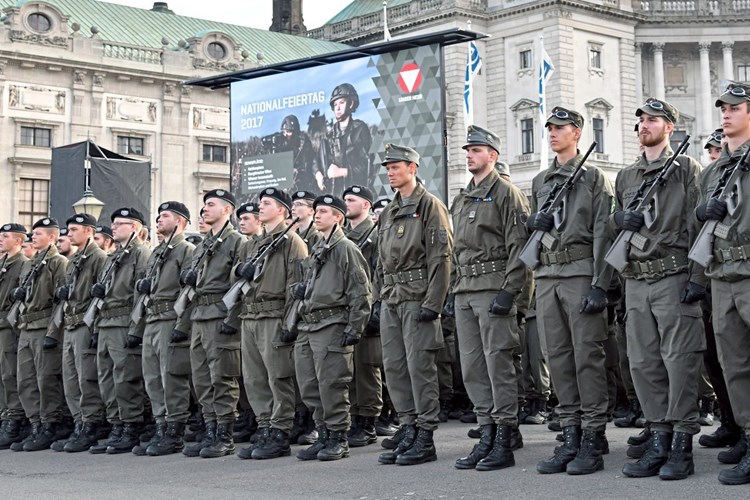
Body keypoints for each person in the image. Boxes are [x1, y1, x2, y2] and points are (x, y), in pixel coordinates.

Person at [613, 97, 706, 480]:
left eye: (652, 120)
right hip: (636, 280)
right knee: (643, 362)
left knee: (679, 360)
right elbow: (615, 233)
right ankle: (659, 437)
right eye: (640, 122)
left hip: (672, 275)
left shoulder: (686, 169)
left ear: (669, 126)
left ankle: (682, 442)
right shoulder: (626, 176)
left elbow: (697, 226)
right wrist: (620, 218)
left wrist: (697, 279)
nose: (644, 127)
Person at [526, 107, 614, 476]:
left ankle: (593, 435)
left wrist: (600, 284)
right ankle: (570, 431)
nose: (552, 133)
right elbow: (532, 236)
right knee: (558, 358)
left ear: (577, 133)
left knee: (586, 357)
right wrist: (535, 223)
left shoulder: (593, 178)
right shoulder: (540, 180)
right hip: (547, 276)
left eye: (560, 128)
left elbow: (604, 232)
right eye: (549, 128)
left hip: (580, 272)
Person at [448, 125, 530, 472]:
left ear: (492, 156)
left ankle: (504, 437)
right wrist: (454, 286)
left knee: (499, 365)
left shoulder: (507, 193)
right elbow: (455, 251)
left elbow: (521, 248)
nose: (470, 155)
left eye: (477, 150)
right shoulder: (462, 197)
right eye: (468, 150)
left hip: (493, 289)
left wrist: (511, 292)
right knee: (473, 368)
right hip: (466, 291)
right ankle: (486, 432)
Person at [375, 143, 453, 466]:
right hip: (393, 299)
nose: (391, 172)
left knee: (420, 367)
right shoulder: (390, 210)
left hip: (417, 298)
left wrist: (433, 303)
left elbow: (442, 258)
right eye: (388, 168)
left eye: (396, 166)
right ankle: (407, 425)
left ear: (413, 168)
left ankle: (425, 433)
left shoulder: (430, 206)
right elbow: (379, 260)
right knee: (394, 367)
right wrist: (381, 296)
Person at [695, 82, 750, 485]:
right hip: (722, 277)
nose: (726, 113)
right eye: (723, 108)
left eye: (734, 107)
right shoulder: (714, 170)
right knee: (734, 366)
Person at [291, 194, 372, 461]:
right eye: (316, 210)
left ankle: (338, 437)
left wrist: (355, 327)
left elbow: (361, 291)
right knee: (309, 385)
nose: (317, 214)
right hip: (310, 324)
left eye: (324, 211)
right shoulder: (319, 248)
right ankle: (323, 433)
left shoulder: (345, 248)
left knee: (332, 384)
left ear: (338, 217)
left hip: (332, 323)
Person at [230, 188, 306, 460]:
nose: (259, 207)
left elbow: (295, 286)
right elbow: (235, 272)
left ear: (282, 211)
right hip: (250, 316)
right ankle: (264, 427)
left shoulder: (292, 242)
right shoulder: (251, 243)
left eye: (266, 203)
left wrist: (289, 324)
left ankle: (280, 431)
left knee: (278, 378)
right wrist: (240, 270)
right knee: (254, 379)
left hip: (274, 316)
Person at [180, 189, 244, 459]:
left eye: (211, 204)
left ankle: (224, 434)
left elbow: (241, 286)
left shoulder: (236, 241)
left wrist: (231, 319)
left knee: (222, 377)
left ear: (227, 210)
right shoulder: (204, 244)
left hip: (219, 314)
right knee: (202, 378)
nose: (205, 209)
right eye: (204, 205)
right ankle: (210, 428)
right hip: (199, 315)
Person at [132, 202, 196, 456]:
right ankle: (161, 425)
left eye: (165, 216)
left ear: (179, 221)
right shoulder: (158, 251)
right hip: (152, 318)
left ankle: (174, 431)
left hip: (171, 317)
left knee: (171, 377)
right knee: (153, 378)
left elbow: (189, 292)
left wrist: (182, 325)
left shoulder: (186, 250)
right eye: (158, 216)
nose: (159, 219)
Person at [88, 208, 152, 455]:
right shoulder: (113, 256)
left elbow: (140, 295)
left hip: (124, 322)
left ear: (134, 227)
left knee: (125, 379)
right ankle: (116, 424)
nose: (113, 227)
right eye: (113, 223)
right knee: (106, 379)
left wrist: (136, 329)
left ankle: (131, 425)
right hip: (106, 323)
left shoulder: (140, 254)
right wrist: (95, 327)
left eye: (120, 223)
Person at [50, 214, 107, 453]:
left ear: (89, 231)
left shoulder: (98, 258)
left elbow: (100, 297)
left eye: (74, 230)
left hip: (85, 322)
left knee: (87, 379)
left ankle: (91, 425)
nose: (69, 234)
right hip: (71, 324)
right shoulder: (75, 259)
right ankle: (79, 422)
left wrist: (95, 329)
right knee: (71, 380)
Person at [11, 217, 68, 451]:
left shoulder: (58, 262)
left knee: (46, 380)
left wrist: (53, 332)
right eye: (33, 233)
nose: (33, 236)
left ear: (52, 237)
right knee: (25, 379)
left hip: (44, 326)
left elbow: (60, 301)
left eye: (39, 233)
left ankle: (49, 424)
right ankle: (34, 423)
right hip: (26, 327)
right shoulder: (30, 263)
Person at [342, 185, 382, 448]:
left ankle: (368, 421)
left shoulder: (375, 234)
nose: (346, 204)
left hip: (367, 306)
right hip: (347, 308)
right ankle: (355, 416)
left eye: (352, 200)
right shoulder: (344, 236)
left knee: (367, 366)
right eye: (344, 200)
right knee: (350, 368)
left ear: (366, 205)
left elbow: (379, 270)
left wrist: (375, 307)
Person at [0, 223, 29, 449]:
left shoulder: (23, 265)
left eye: (6, 236)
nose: (1, 239)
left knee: (10, 375)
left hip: (9, 326)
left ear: (18, 240)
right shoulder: (3, 263)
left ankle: (14, 419)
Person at [325, 83, 373, 196]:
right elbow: (320, 161)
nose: (337, 107)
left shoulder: (360, 129)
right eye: (335, 104)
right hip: (334, 196)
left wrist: (341, 172)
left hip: (356, 194)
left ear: (351, 104)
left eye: (342, 102)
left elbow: (368, 165)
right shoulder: (330, 134)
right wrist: (319, 174)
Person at [278, 115, 320, 194]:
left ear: (295, 132)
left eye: (288, 131)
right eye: (284, 131)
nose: (286, 134)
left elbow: (311, 158)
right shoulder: (280, 143)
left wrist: (317, 172)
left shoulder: (303, 141)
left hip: (303, 180)